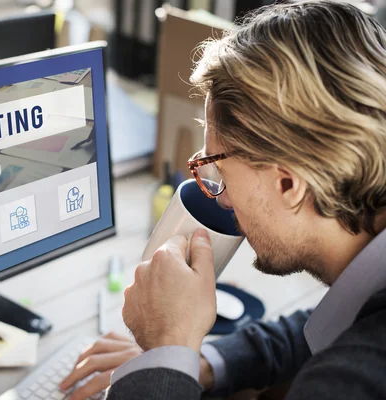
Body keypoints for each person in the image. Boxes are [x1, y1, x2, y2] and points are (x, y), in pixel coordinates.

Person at [59, 0, 386, 398]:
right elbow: (325, 327)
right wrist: (195, 362)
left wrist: (167, 347)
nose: (223, 199)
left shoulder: (354, 382)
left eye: (218, 169)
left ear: (289, 184)